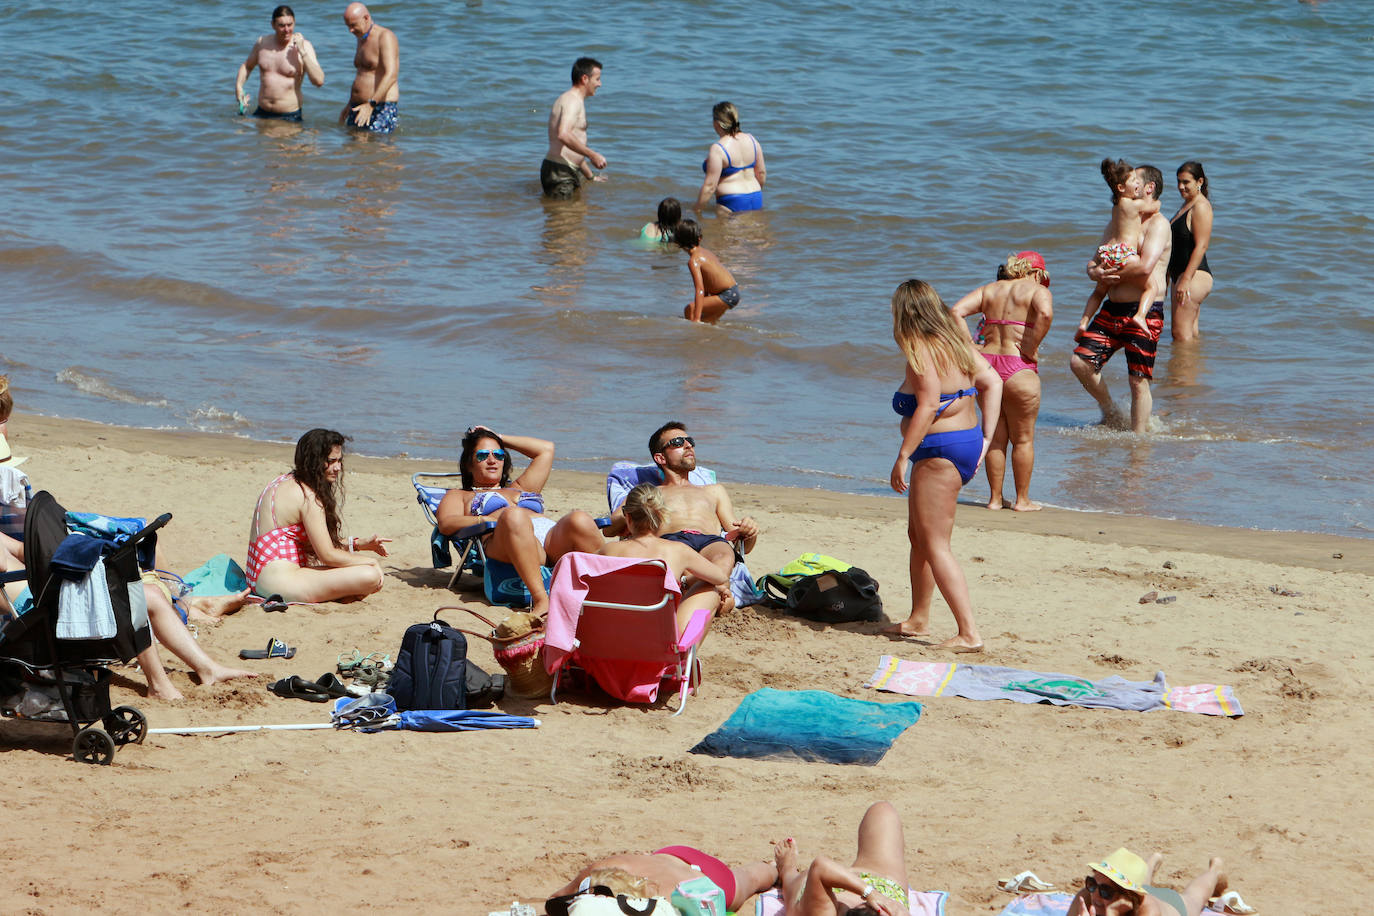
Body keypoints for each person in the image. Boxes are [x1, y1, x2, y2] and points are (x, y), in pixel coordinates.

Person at [884, 279, 1000, 651]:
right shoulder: (954, 340)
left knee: (935, 543)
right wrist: (984, 438)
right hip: (961, 444)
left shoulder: (919, 346)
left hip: (939, 451)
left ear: (903, 312)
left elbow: (930, 403)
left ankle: (969, 633)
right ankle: (919, 618)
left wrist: (903, 455)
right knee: (919, 536)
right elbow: (992, 382)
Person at [434, 426, 604, 617]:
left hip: (549, 541)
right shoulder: (461, 495)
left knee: (578, 518)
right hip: (504, 540)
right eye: (482, 455)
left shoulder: (519, 487)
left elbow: (546, 449)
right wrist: (486, 519)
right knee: (514, 515)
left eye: (498, 454)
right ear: (469, 464)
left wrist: (498, 437)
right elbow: (446, 523)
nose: (492, 460)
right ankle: (541, 600)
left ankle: (612, 590)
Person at [1071, 164, 1172, 434]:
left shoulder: (1158, 224)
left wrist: (1111, 268)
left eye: (1137, 180)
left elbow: (1144, 267)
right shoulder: (1119, 219)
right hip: (1111, 308)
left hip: (1144, 312)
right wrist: (1097, 271)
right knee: (1080, 362)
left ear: (1148, 188)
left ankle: (1138, 442)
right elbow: (1094, 262)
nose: (1133, 186)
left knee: (1138, 381)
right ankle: (1111, 411)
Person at [951, 251, 1054, 511]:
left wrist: (970, 349)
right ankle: (1022, 500)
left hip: (987, 367)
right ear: (1037, 273)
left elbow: (955, 312)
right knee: (1023, 439)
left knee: (996, 437)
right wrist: (1031, 345)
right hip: (1018, 365)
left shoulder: (990, 289)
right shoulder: (1036, 290)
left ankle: (995, 499)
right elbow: (1045, 314)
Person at [246, 428, 389, 603]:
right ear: (314, 461)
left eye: (340, 461)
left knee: (358, 569)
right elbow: (327, 555)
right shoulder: (308, 497)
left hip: (259, 576)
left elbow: (315, 544)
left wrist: (358, 544)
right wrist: (370, 562)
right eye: (331, 461)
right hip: (278, 583)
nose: (338, 468)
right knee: (370, 575)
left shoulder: (285, 481)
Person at [599, 483, 733, 630]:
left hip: (613, 632)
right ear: (662, 516)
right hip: (661, 637)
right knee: (711, 592)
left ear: (628, 518)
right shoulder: (678, 551)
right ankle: (687, 651)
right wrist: (684, 582)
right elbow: (720, 578)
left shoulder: (608, 551)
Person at [641, 421, 758, 577]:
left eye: (690, 441)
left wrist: (748, 532)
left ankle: (695, 581)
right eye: (678, 442)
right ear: (661, 458)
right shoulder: (651, 492)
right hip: (672, 541)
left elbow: (740, 543)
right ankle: (709, 584)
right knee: (682, 558)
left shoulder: (714, 491)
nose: (688, 445)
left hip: (710, 542)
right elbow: (612, 528)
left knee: (724, 556)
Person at [774, 801, 913, 916]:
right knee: (882, 811)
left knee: (796, 881)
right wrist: (874, 894)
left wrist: (871, 893)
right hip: (881, 884)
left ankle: (786, 868)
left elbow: (820, 867)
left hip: (821, 898)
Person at [548, 847, 777, 915]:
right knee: (753, 875)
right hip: (670, 854)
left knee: (751, 879)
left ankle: (778, 869)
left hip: (705, 882)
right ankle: (776, 868)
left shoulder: (664, 906)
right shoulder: (603, 869)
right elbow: (557, 899)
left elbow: (555, 900)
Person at [1084, 159, 1162, 334]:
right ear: (1121, 187)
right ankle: (1140, 316)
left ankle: (1084, 321)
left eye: (1137, 180)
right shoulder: (1132, 205)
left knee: (1099, 291)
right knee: (1152, 287)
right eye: (1133, 180)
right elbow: (1154, 206)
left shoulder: (1116, 207)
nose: (1136, 184)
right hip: (1125, 253)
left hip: (1109, 252)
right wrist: (1157, 203)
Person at [1068, 847, 1231, 916]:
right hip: (1138, 891)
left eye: (1105, 891)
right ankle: (1152, 862)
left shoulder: (1149, 911)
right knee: (1141, 884)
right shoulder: (1086, 897)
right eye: (1092, 883)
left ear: (1125, 897)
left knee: (1195, 898)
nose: (1095, 893)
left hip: (1173, 906)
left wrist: (1112, 913)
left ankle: (1215, 871)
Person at [235, 5, 325, 122]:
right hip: (261, 112)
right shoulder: (262, 43)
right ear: (273, 25)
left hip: (289, 116)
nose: (287, 30)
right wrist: (239, 86)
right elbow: (247, 66)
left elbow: (319, 81)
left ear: (294, 23)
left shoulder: (305, 46)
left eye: (290, 25)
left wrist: (302, 51)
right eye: (282, 26)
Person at [541, 57, 606, 199]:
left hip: (566, 170)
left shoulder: (573, 100)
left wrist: (590, 176)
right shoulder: (572, 101)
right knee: (564, 219)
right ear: (585, 78)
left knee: (575, 216)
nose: (600, 84)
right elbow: (563, 135)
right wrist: (592, 154)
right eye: (597, 79)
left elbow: (573, 145)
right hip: (560, 172)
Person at [1168, 161, 1214, 341]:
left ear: (1199, 181)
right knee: (1189, 333)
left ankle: (1182, 369)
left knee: (1180, 334)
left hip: (1193, 276)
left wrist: (1186, 279)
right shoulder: (1187, 205)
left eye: (1186, 182)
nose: (1181, 186)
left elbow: (1202, 245)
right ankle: (1191, 368)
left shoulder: (1200, 206)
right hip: (1181, 276)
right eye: (1178, 181)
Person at [695, 101, 767, 213]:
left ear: (716, 123)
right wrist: (751, 194)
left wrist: (697, 210)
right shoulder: (752, 140)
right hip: (756, 197)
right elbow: (761, 174)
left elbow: (710, 186)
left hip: (731, 201)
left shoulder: (718, 148)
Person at [339, 2, 399, 133]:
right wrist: (350, 104)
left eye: (353, 25)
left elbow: (391, 75)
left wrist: (371, 104)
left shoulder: (385, 37)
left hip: (380, 106)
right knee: (355, 150)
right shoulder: (361, 38)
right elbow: (362, 74)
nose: (350, 30)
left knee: (379, 150)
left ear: (366, 18)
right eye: (348, 26)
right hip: (359, 106)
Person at [675, 219, 740, 323]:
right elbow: (706, 285)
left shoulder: (694, 260)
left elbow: (699, 289)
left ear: (678, 242)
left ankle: (693, 334)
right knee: (707, 322)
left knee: (690, 309)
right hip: (732, 292)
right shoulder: (706, 252)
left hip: (725, 295)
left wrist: (696, 319)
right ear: (699, 238)